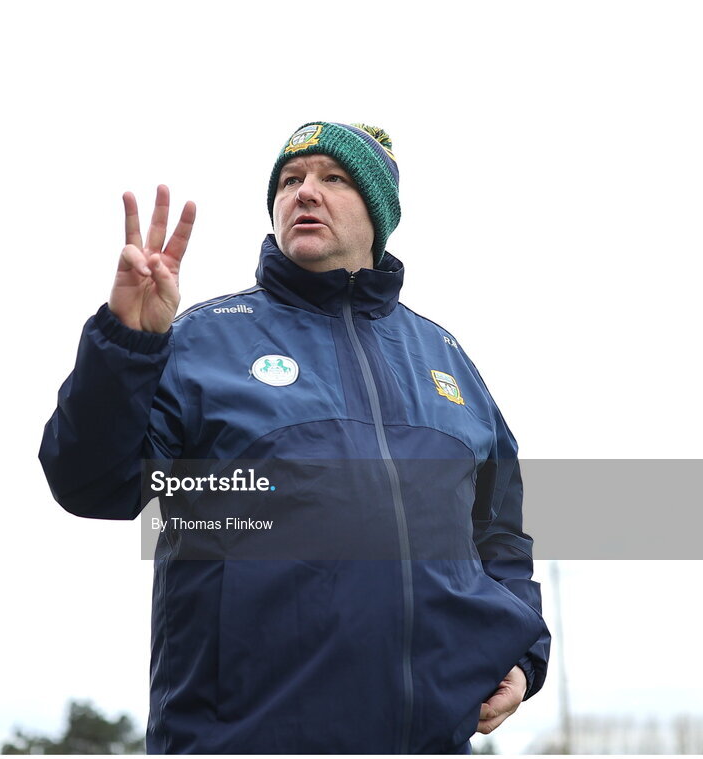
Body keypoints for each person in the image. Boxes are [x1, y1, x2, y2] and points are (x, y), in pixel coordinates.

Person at [39, 121, 550, 753]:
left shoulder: (444, 358)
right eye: (290, 180)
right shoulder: (204, 341)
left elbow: (499, 534)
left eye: (333, 179)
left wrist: (522, 653)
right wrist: (127, 344)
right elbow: (93, 484)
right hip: (245, 736)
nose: (305, 192)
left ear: (379, 213)